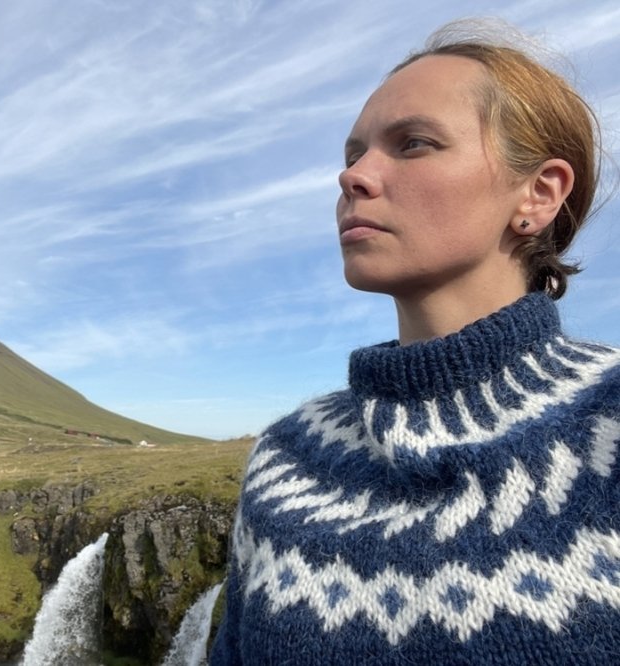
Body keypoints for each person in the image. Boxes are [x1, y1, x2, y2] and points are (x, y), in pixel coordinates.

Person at [209, 18, 620, 665]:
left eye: (414, 144)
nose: (354, 178)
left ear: (539, 195)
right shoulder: (284, 458)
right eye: (353, 155)